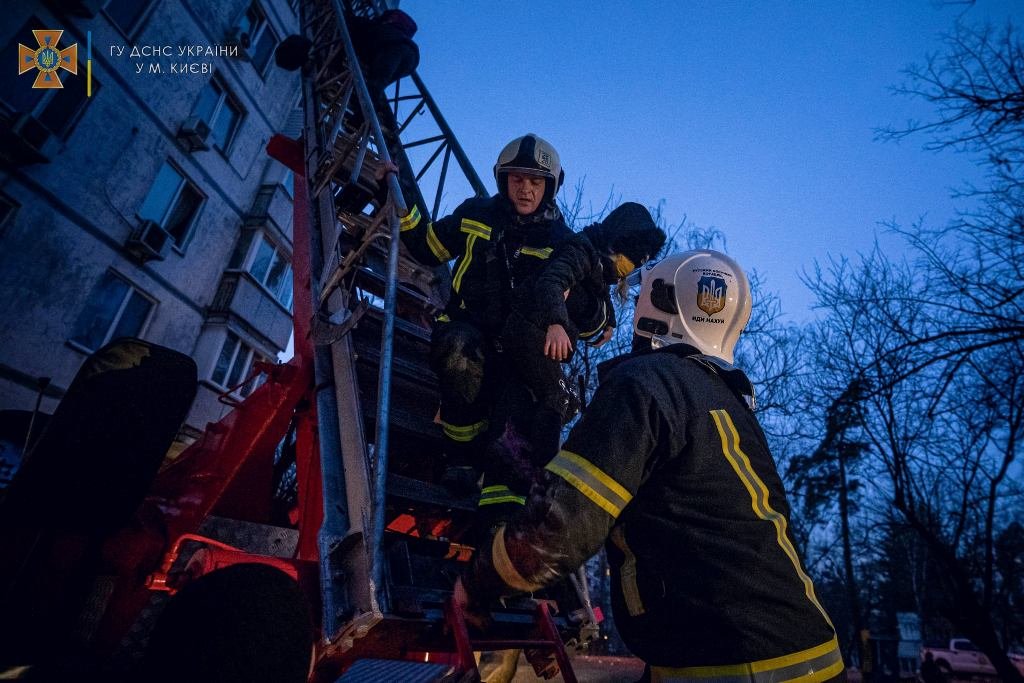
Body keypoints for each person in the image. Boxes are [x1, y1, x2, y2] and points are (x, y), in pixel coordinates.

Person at [456, 249, 844, 682]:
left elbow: (561, 526)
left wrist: (476, 585)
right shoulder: (728, 402)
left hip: (736, 664)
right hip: (813, 652)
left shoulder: (642, 384)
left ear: (661, 302)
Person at [399, 134, 574, 497]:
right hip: (468, 332)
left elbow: (584, 306)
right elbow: (428, 247)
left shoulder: (562, 243)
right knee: (459, 348)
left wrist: (592, 319)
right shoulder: (475, 214)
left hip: (521, 354)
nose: (525, 189)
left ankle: (510, 503)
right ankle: (461, 456)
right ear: (503, 180)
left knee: (526, 429)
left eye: (536, 181)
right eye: (517, 179)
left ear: (550, 187)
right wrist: (400, 198)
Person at [499, 202, 666, 466]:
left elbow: (599, 295)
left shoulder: (596, 266)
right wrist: (556, 324)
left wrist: (606, 321)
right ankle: (542, 469)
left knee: (557, 401)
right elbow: (552, 281)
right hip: (531, 328)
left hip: (536, 335)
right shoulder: (582, 251)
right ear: (616, 244)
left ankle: (517, 454)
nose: (629, 267)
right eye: (631, 258)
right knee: (558, 397)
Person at [274, 9, 419, 94]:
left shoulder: (336, 35)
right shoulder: (377, 29)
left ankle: (363, 117)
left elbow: (338, 52)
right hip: (411, 59)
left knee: (375, 87)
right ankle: (381, 121)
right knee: (376, 88)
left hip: (393, 50)